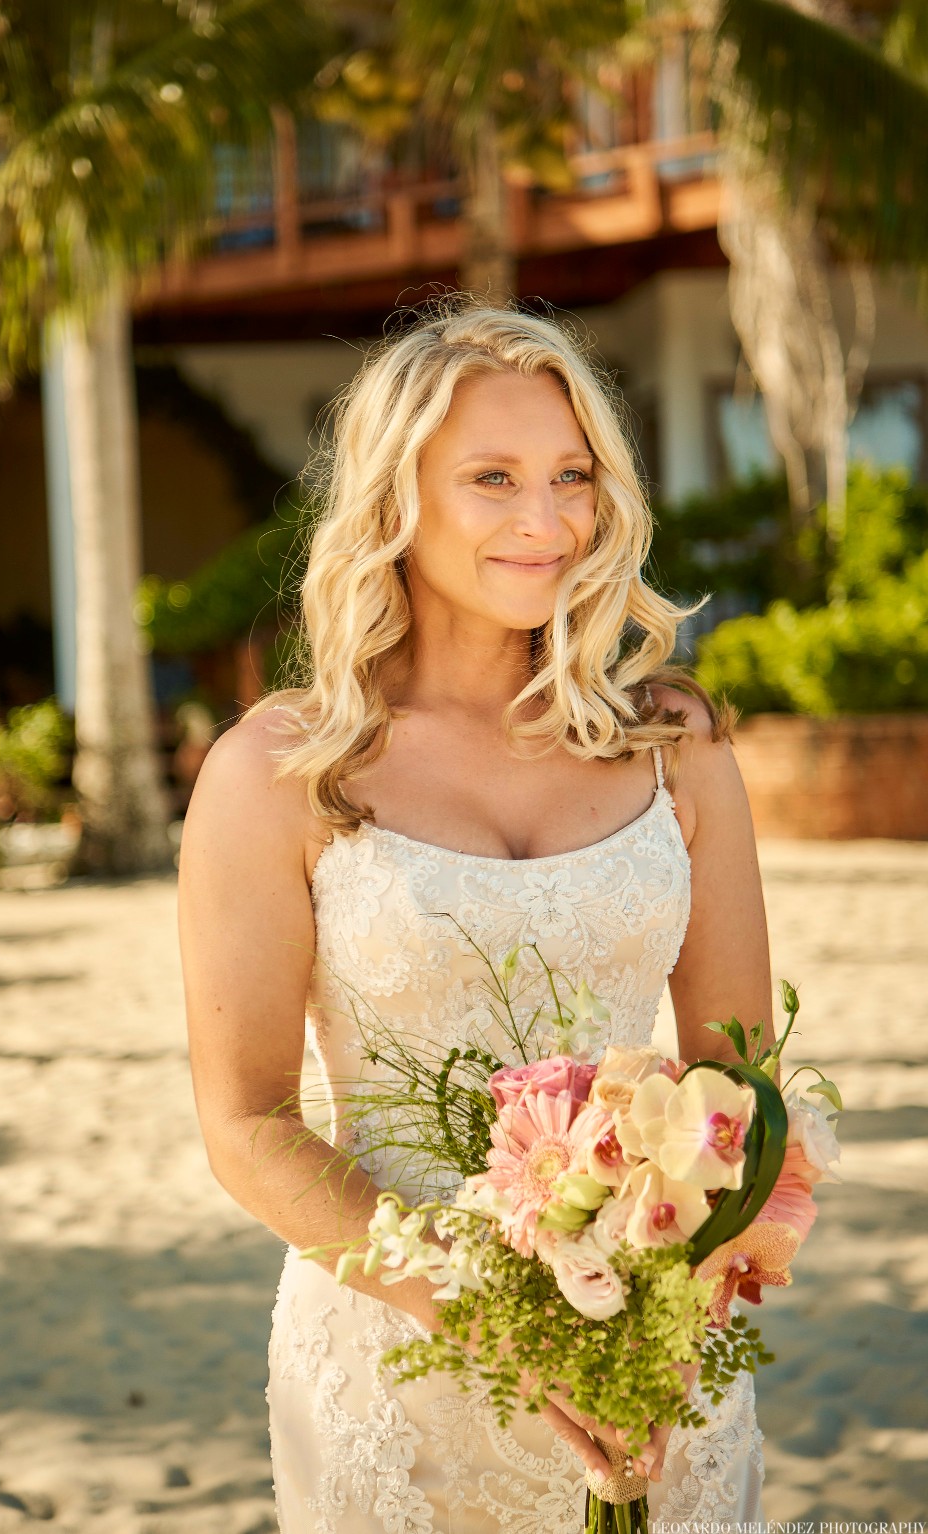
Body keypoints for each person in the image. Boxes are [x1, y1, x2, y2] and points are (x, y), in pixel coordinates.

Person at [178, 302, 773, 1531]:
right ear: (397, 498)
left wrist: (667, 1307)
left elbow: (733, 1077)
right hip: (396, 1373)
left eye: (571, 477)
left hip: (652, 1367)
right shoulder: (282, 770)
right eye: (491, 478)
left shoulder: (675, 744)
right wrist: (503, 1315)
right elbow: (247, 1123)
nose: (545, 522)